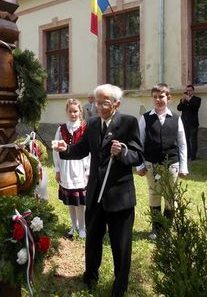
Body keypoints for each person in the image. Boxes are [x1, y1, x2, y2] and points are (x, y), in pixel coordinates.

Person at [53, 84, 143, 297]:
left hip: (119, 198)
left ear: (116, 104)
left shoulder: (128, 123)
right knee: (92, 241)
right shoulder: (92, 124)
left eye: (105, 102)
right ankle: (90, 277)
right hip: (95, 194)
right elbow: (82, 149)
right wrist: (66, 149)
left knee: (121, 246)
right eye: (96, 102)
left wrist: (123, 152)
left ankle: (119, 287)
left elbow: (138, 156)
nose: (99, 107)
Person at [137, 83, 188, 240]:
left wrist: (183, 166)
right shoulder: (146, 118)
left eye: (161, 96)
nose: (158, 100)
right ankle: (156, 227)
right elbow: (139, 142)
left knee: (171, 196)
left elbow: (182, 143)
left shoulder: (176, 119)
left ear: (169, 98)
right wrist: (140, 164)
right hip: (151, 165)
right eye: (155, 97)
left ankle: (167, 228)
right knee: (154, 194)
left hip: (172, 164)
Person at [53, 98, 90, 239]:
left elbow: (90, 152)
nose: (73, 114)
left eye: (75, 111)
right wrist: (57, 169)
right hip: (66, 168)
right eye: (70, 111)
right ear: (67, 112)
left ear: (80, 111)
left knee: (80, 202)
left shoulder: (85, 128)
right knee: (71, 201)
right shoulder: (61, 129)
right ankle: (73, 225)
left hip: (80, 168)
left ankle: (82, 227)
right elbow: (56, 150)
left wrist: (88, 171)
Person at [177, 84, 201, 160]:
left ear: (193, 91)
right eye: (187, 90)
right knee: (185, 139)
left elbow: (195, 107)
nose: (188, 92)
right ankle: (187, 155)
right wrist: (182, 101)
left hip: (193, 123)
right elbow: (179, 108)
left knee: (193, 140)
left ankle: (193, 156)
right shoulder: (184, 99)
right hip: (184, 123)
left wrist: (188, 99)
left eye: (190, 90)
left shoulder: (197, 99)